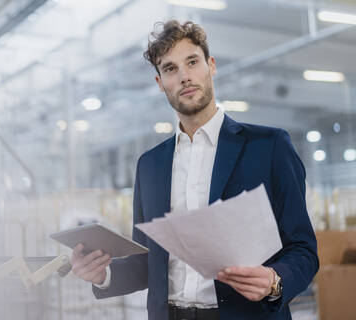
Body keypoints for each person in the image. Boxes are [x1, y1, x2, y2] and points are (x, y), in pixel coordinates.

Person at [70, 20, 318, 320]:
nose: (185, 76)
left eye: (192, 62)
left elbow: (303, 249)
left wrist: (275, 281)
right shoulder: (149, 165)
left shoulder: (269, 147)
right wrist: (102, 274)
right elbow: (149, 264)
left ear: (210, 65)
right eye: (171, 68)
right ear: (160, 82)